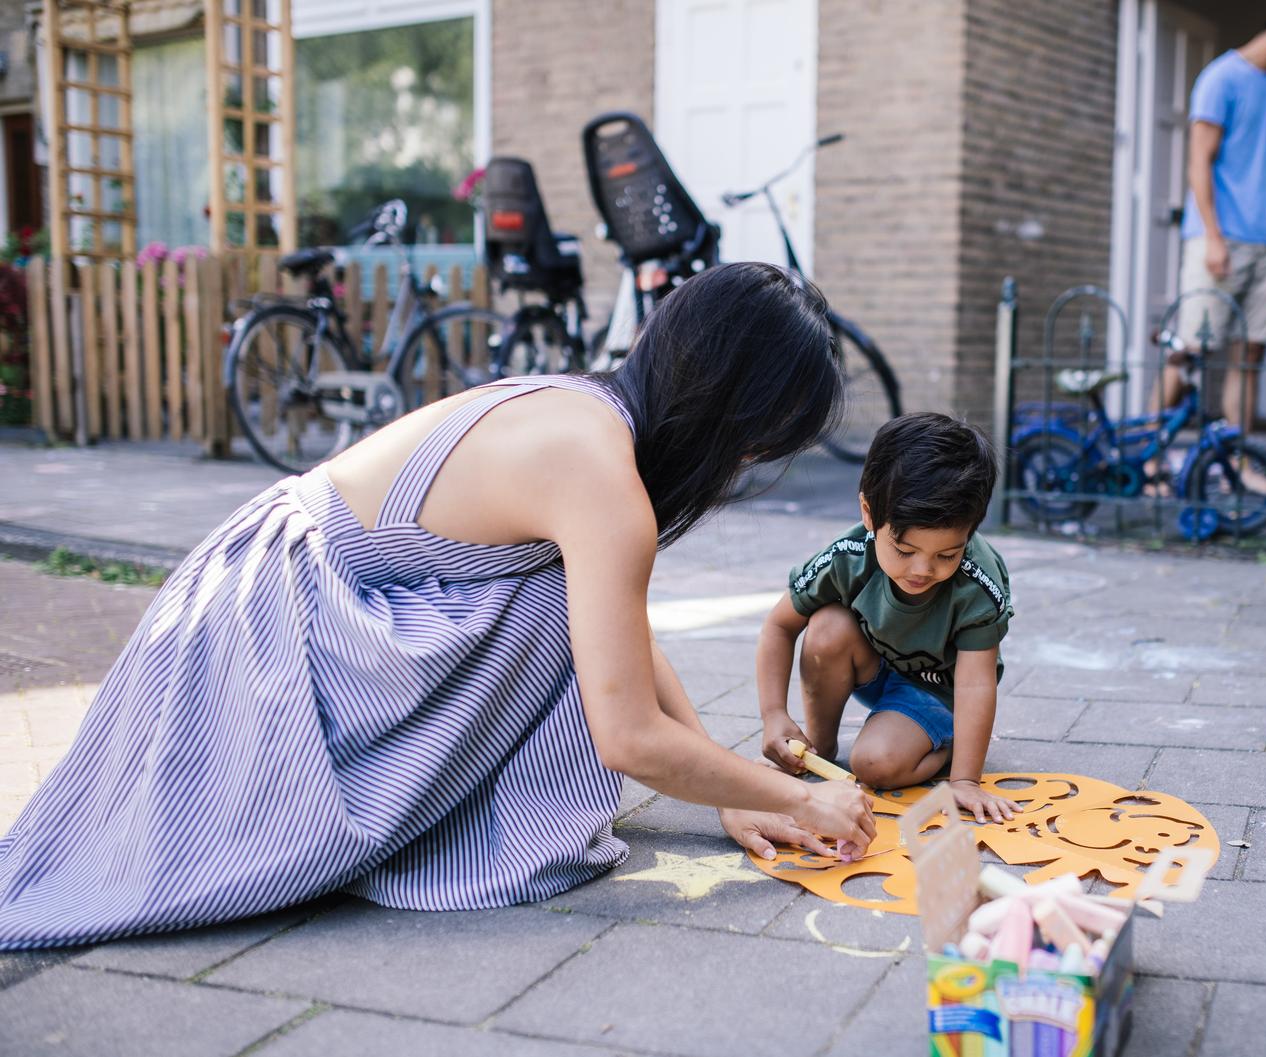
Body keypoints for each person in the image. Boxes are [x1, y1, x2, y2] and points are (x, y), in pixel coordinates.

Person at [0, 261, 875, 950]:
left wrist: (727, 789)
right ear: (731, 414)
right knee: (541, 612)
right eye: (759, 444)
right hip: (259, 633)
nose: (745, 468)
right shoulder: (602, 476)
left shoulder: (584, 412)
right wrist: (796, 800)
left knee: (554, 606)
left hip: (260, 586)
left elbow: (618, 633)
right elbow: (627, 733)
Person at [756, 413, 1021, 823]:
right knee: (826, 625)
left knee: (875, 765)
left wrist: (966, 779)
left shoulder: (976, 582)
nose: (922, 569)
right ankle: (820, 749)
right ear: (868, 512)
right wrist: (774, 714)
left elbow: (974, 682)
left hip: (938, 693)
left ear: (968, 534)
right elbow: (779, 625)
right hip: (877, 666)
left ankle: (947, 746)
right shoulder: (848, 556)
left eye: (946, 555)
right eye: (904, 549)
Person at [1163, 0, 1266, 433]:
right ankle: (1152, 465)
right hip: (1220, 240)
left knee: (1249, 357)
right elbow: (1198, 162)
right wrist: (1214, 238)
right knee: (1188, 353)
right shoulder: (1221, 78)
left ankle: (1237, 462)